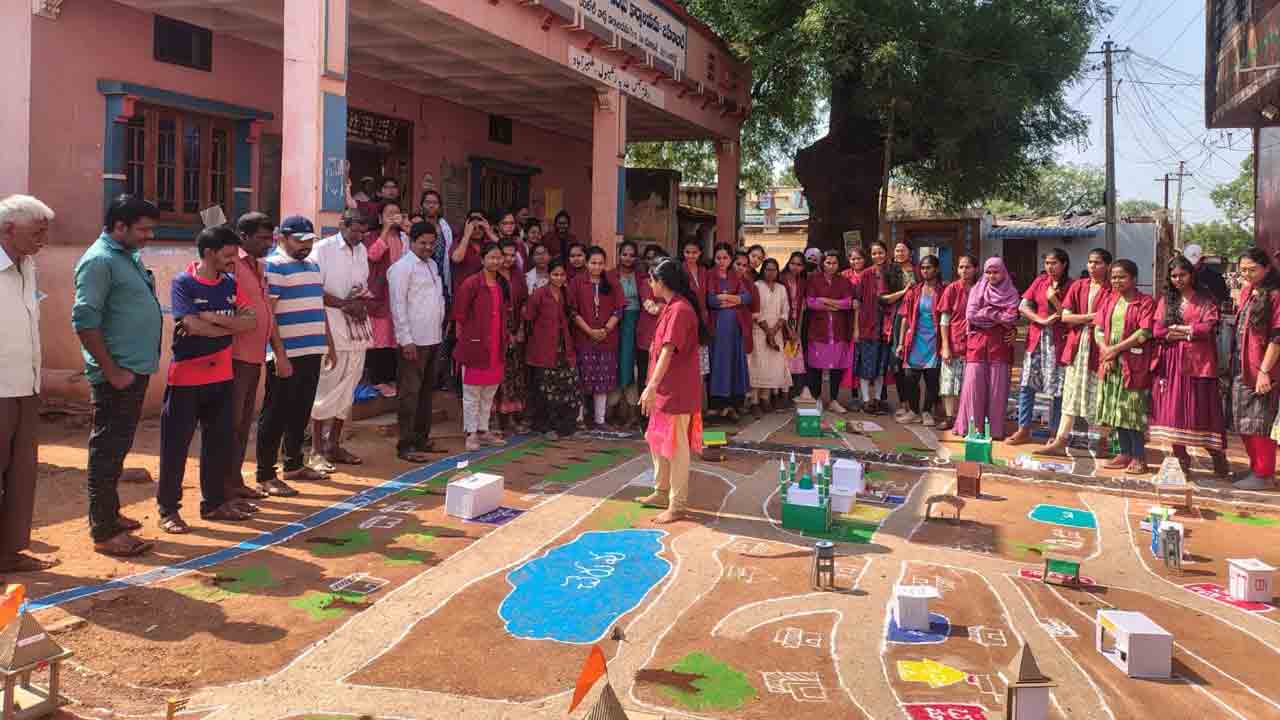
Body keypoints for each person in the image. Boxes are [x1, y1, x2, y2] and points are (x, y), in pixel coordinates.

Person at [73, 194, 163, 557]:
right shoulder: (98, 262)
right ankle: (105, 532)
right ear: (119, 227)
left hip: (133, 371)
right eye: (143, 229)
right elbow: (84, 321)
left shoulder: (127, 257)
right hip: (117, 376)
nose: (148, 236)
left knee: (118, 448)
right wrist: (111, 371)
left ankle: (109, 514)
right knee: (106, 451)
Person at [157, 226, 257, 533]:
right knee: (175, 447)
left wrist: (211, 319)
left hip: (222, 375)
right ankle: (168, 510)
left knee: (218, 443)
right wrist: (230, 327)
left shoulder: (230, 282)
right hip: (187, 377)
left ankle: (213, 504)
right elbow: (190, 324)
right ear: (209, 253)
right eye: (228, 254)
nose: (233, 260)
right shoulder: (183, 282)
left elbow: (250, 322)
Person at [0, 195, 56, 572]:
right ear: (8, 230)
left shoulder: (29, 265)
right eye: (36, 233)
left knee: (21, 473)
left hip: (27, 383)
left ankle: (9, 552)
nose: (42, 241)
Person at [257, 216, 332, 497]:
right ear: (282, 238)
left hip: (313, 350)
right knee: (276, 412)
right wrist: (279, 354)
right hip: (287, 353)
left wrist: (328, 344)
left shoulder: (313, 265)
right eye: (299, 241)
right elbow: (270, 315)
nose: (305, 246)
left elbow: (318, 307)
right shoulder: (273, 267)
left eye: (309, 241)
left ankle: (294, 464)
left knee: (301, 411)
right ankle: (265, 473)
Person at [638, 258, 710, 524]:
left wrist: (651, 386)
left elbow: (668, 350)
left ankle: (677, 504)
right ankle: (661, 490)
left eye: (651, 279)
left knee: (676, 447)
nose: (649, 284)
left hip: (675, 390)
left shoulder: (680, 310)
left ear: (661, 281)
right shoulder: (671, 307)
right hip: (664, 388)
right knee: (657, 440)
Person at [1150, 256, 1229, 475]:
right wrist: (1187, 332)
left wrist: (1181, 331)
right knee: (1174, 411)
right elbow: (1157, 331)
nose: (1178, 280)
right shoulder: (1167, 300)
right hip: (1171, 362)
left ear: (1191, 275)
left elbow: (1208, 328)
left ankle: (1217, 456)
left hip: (1198, 362)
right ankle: (1181, 460)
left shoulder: (1205, 299)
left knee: (1201, 411)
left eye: (1182, 275)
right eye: (1173, 276)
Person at [226, 212, 281, 506]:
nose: (268, 243)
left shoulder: (257, 266)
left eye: (270, 238)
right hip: (235, 355)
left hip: (254, 355)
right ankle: (223, 486)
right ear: (243, 237)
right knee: (231, 422)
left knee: (245, 421)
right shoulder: (231, 264)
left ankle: (235, 480)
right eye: (262, 238)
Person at [311, 210, 373, 467]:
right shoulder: (322, 249)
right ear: (342, 225)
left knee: (349, 385)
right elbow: (313, 288)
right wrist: (345, 304)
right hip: (331, 324)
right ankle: (316, 450)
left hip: (356, 327)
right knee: (327, 385)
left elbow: (362, 284)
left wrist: (358, 302)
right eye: (355, 230)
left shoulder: (361, 250)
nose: (359, 236)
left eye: (363, 232)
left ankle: (334, 444)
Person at [1040, 248, 1113, 457]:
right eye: (1090, 262)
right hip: (1078, 346)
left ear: (1107, 265)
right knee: (1071, 393)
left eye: (1097, 262)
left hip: (1100, 346)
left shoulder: (1112, 289)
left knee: (1100, 394)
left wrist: (1083, 318)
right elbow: (1065, 316)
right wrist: (1090, 317)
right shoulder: (1079, 286)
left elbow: (1107, 319)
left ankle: (1101, 442)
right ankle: (1061, 440)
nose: (1092, 266)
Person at [388, 221, 447, 462]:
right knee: (409, 394)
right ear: (411, 242)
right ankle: (406, 445)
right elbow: (398, 305)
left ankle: (422, 438)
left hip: (433, 338)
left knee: (425, 393)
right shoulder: (402, 268)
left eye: (432, 243)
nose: (427, 247)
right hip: (413, 341)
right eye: (422, 243)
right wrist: (406, 339)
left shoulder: (432, 264)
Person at [1093, 259, 1156, 475]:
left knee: (1132, 411)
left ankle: (1139, 457)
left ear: (1134, 278)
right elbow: (1098, 329)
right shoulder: (1110, 300)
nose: (1117, 281)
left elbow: (1144, 333)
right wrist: (1105, 350)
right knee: (1116, 411)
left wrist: (1116, 349)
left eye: (1122, 277)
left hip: (1133, 365)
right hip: (1111, 365)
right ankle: (1124, 453)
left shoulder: (1145, 302)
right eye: (1114, 277)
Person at [1007, 249, 1073, 445]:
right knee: (1027, 384)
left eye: (1054, 263)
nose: (1050, 267)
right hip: (1036, 339)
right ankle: (1023, 428)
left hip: (1058, 342)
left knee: (1057, 388)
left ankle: (1055, 432)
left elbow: (1070, 315)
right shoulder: (1040, 281)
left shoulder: (1073, 285)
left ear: (1064, 264)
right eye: (1047, 263)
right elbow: (1023, 306)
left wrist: (1054, 299)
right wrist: (1040, 320)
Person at [952, 258, 1020, 440]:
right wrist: (997, 316)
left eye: (995, 272)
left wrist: (989, 313)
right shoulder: (977, 289)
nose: (991, 276)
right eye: (988, 272)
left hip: (1000, 345)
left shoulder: (1011, 292)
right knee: (973, 387)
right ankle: (972, 428)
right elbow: (972, 315)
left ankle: (994, 430)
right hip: (977, 344)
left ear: (1003, 272)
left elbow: (1011, 317)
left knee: (997, 390)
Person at [1233, 248, 1280, 489]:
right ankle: (1254, 467)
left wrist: (1264, 371)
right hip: (1243, 368)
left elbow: (1277, 336)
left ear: (1267, 268)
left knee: (1260, 423)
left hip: (1263, 370)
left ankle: (1264, 474)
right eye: (1243, 270)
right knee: (1243, 421)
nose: (1247, 274)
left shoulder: (1275, 295)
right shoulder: (1247, 291)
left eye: (1253, 269)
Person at [454, 242, 509, 450]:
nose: (495, 261)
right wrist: (465, 343)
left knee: (488, 393)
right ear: (483, 259)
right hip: (474, 346)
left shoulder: (502, 284)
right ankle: (470, 433)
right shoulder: (471, 284)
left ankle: (483, 430)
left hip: (496, 346)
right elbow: (459, 316)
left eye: (498, 258)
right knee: (472, 393)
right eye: (491, 257)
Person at [525, 259, 582, 438]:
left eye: (562, 274)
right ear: (549, 275)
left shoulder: (567, 293)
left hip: (564, 347)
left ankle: (566, 427)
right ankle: (545, 427)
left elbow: (572, 314)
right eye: (555, 274)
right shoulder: (539, 294)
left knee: (567, 387)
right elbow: (529, 318)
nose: (558, 278)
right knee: (545, 389)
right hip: (543, 348)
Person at [570, 246, 625, 428]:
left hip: (607, 339)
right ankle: (578, 418)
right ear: (586, 263)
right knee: (582, 378)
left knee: (602, 379)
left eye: (600, 263)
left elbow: (619, 309)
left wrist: (605, 329)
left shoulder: (612, 282)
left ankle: (600, 420)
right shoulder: (577, 282)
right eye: (593, 263)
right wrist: (589, 331)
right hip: (583, 338)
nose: (596, 267)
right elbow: (572, 311)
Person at [895, 254, 944, 426]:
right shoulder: (914, 291)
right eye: (922, 268)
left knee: (932, 380)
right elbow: (904, 318)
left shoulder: (944, 290)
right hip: (915, 340)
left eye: (928, 267)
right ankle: (914, 411)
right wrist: (901, 343)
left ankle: (926, 412)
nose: (925, 271)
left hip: (935, 340)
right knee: (910, 378)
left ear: (936, 269)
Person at [805, 249, 856, 412]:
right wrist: (836, 304)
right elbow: (811, 302)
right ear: (822, 263)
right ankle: (817, 398)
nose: (831, 266)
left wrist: (825, 301)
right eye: (828, 262)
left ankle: (834, 399)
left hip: (839, 330)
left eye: (834, 263)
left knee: (836, 368)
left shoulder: (844, 281)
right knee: (816, 367)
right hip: (818, 331)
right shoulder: (813, 280)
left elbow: (848, 303)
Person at [364, 201, 407, 390]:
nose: (393, 217)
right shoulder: (373, 236)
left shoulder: (404, 237)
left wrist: (408, 229)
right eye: (389, 214)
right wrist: (386, 229)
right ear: (380, 218)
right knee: (380, 338)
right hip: (381, 295)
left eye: (397, 213)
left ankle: (391, 378)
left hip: (400, 295)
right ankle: (377, 380)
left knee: (395, 339)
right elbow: (373, 255)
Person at [706, 243, 753, 418]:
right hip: (717, 328)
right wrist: (735, 300)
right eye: (718, 257)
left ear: (731, 259)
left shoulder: (735, 276)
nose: (721, 261)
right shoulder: (710, 275)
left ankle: (733, 405)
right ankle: (716, 405)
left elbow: (747, 297)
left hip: (735, 327)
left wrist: (726, 298)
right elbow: (711, 300)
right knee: (718, 364)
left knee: (734, 364)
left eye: (725, 258)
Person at [937, 254, 978, 430]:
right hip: (954, 341)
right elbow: (944, 320)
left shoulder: (980, 288)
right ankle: (949, 417)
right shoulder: (952, 289)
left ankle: (965, 418)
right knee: (949, 382)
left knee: (968, 383)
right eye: (961, 267)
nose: (964, 270)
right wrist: (945, 346)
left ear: (975, 268)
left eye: (967, 267)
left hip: (975, 343)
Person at [749, 258, 792, 412]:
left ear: (777, 271)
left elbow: (785, 311)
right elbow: (756, 311)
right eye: (768, 269)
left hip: (777, 332)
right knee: (757, 366)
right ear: (763, 270)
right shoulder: (756, 286)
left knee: (773, 367)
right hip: (759, 332)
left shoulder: (781, 288)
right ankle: (754, 401)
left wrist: (774, 332)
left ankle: (765, 399)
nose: (771, 272)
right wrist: (768, 333)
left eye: (774, 269)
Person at [496, 238, 530, 432]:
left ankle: (512, 417)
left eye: (511, 255)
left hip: (516, 331)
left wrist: (521, 329)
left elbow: (524, 301)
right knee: (499, 376)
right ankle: (497, 419)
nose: (508, 259)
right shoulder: (491, 275)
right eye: (504, 255)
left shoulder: (517, 274)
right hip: (497, 332)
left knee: (514, 375)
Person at [856, 242, 893, 414]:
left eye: (880, 253)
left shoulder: (892, 273)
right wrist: (856, 328)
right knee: (866, 365)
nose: (878, 256)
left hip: (885, 326)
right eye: (874, 253)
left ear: (886, 254)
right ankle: (865, 400)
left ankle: (877, 399)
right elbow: (858, 302)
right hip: (867, 326)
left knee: (881, 365)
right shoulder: (865, 275)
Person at [883, 241, 917, 419]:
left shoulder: (920, 270)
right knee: (897, 362)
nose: (899, 253)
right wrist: (904, 291)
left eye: (903, 250)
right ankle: (904, 403)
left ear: (910, 252)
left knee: (916, 364)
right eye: (896, 250)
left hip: (918, 319)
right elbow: (883, 298)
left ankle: (919, 406)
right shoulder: (889, 272)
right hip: (896, 319)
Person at [615, 241, 645, 426]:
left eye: (631, 254)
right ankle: (614, 409)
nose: (627, 258)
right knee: (616, 361)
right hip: (614, 321)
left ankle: (632, 412)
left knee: (630, 362)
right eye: (624, 254)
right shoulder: (610, 275)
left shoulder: (640, 276)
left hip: (635, 321)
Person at [782, 251, 809, 404]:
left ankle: (791, 393)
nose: (795, 267)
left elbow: (803, 307)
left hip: (796, 323)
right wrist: (787, 328)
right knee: (782, 359)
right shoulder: (781, 279)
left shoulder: (803, 281)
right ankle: (780, 394)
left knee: (793, 358)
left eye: (799, 264)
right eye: (793, 263)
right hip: (781, 324)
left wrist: (796, 330)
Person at [450, 209, 496, 293]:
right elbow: (456, 259)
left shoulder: (489, 242)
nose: (477, 230)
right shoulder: (459, 242)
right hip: (464, 292)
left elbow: (505, 251)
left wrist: (489, 232)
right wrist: (467, 235)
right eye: (474, 228)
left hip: (485, 291)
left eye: (480, 227)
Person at [1184, 244, 1231, 308]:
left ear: (1202, 260)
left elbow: (1222, 300)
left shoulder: (1217, 279)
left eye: (1195, 262)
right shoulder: (1182, 276)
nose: (1191, 265)